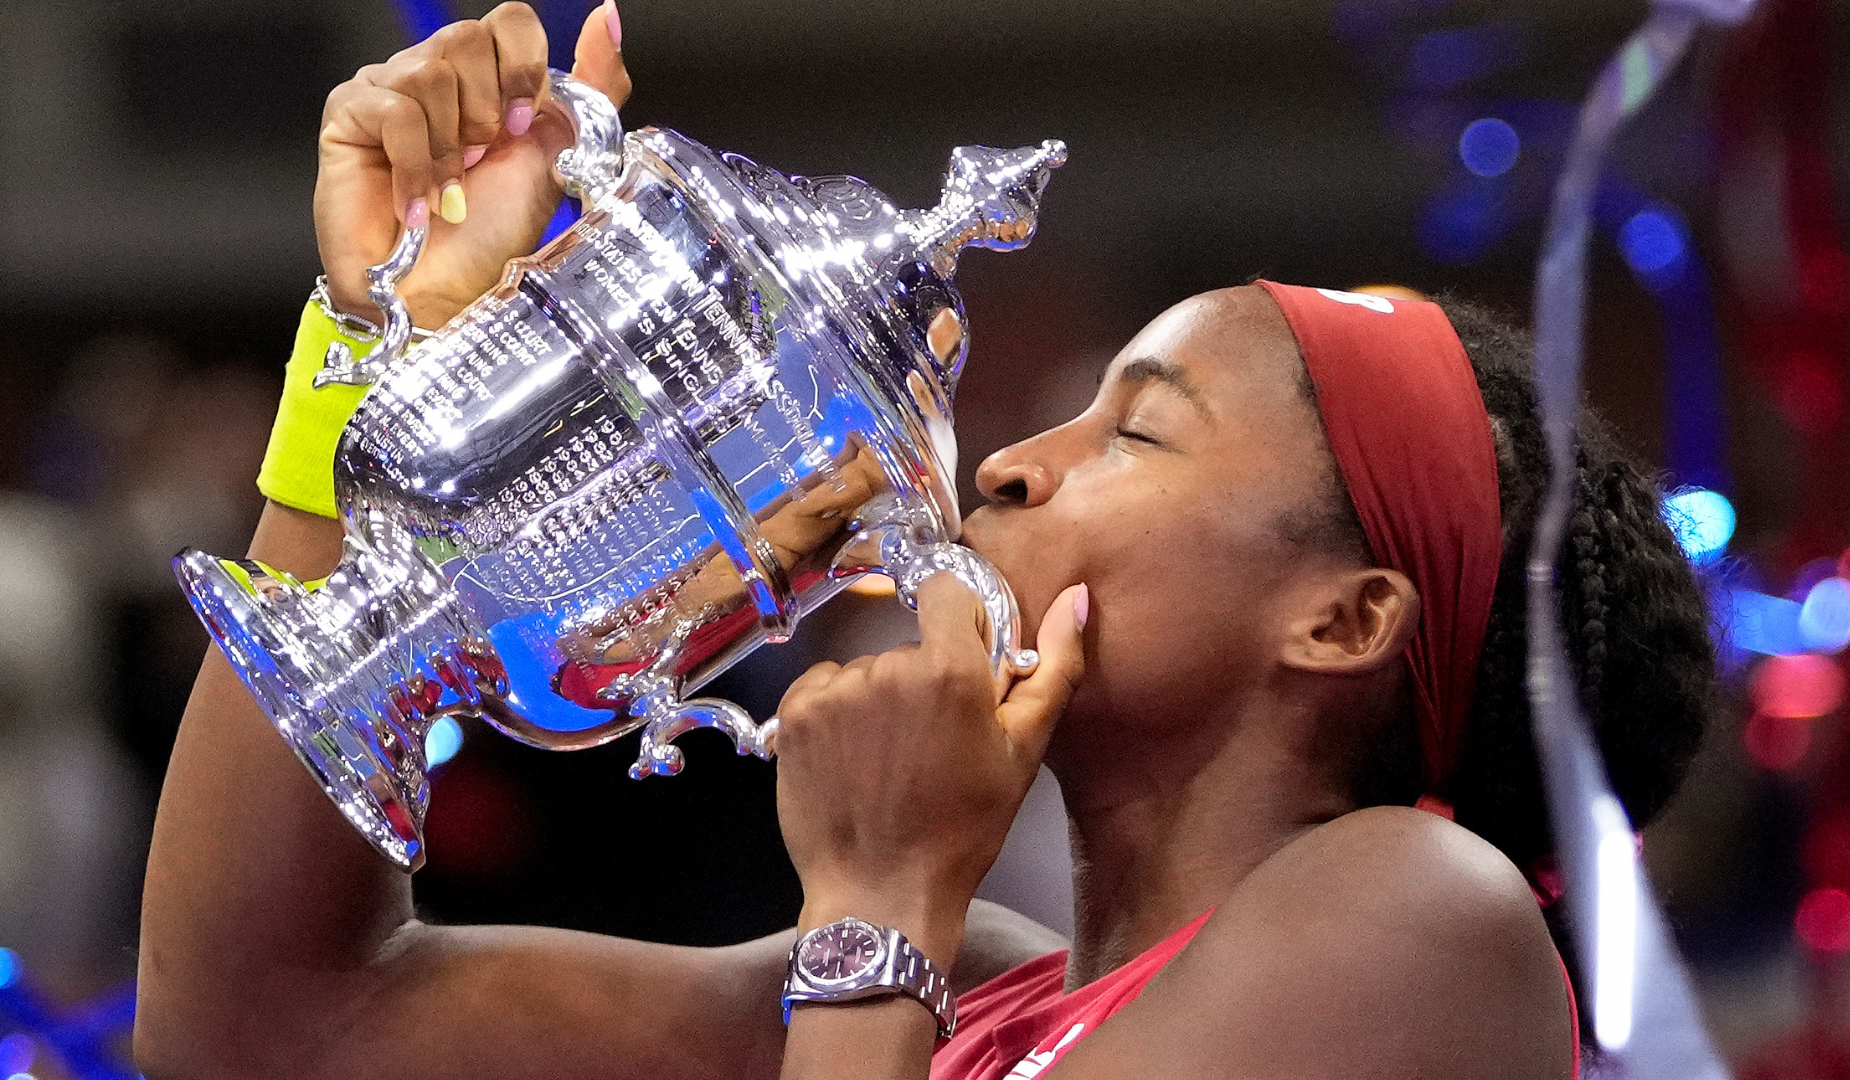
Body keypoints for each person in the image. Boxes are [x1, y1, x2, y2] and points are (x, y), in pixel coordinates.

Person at [132, 4, 1717, 1079]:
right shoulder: (959, 975)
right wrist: (389, 364)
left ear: (1344, 617)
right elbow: (261, 1024)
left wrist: (880, 903)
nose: (1014, 465)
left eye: (1137, 429)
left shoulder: (1425, 911)